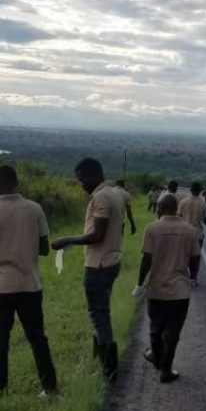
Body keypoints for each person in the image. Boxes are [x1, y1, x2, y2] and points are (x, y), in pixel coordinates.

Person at [52, 158, 124, 381]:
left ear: (93, 174)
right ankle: (101, 365)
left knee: (98, 316)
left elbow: (97, 235)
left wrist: (66, 240)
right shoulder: (115, 193)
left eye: (82, 179)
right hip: (110, 261)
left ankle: (108, 372)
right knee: (101, 313)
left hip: (99, 265)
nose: (81, 184)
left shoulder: (102, 196)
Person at [0, 165, 58, 396]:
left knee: (0, 340)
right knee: (37, 337)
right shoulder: (34, 208)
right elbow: (44, 249)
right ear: (16, 183)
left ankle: (1, 387)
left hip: (2, 286)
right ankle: (49, 386)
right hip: (30, 284)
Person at [134, 193, 201, 384]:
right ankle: (165, 370)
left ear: (160, 209)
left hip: (156, 288)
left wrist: (140, 284)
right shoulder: (190, 230)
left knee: (155, 328)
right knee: (173, 332)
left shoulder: (152, 228)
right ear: (176, 209)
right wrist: (193, 277)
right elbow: (195, 258)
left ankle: (157, 360)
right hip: (180, 290)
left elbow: (146, 260)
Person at [177, 181, 206, 284]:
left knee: (183, 255)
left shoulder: (183, 202)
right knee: (195, 257)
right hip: (197, 233)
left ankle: (182, 277)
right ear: (200, 191)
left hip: (184, 232)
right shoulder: (203, 203)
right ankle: (193, 278)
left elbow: (178, 217)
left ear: (190, 190)